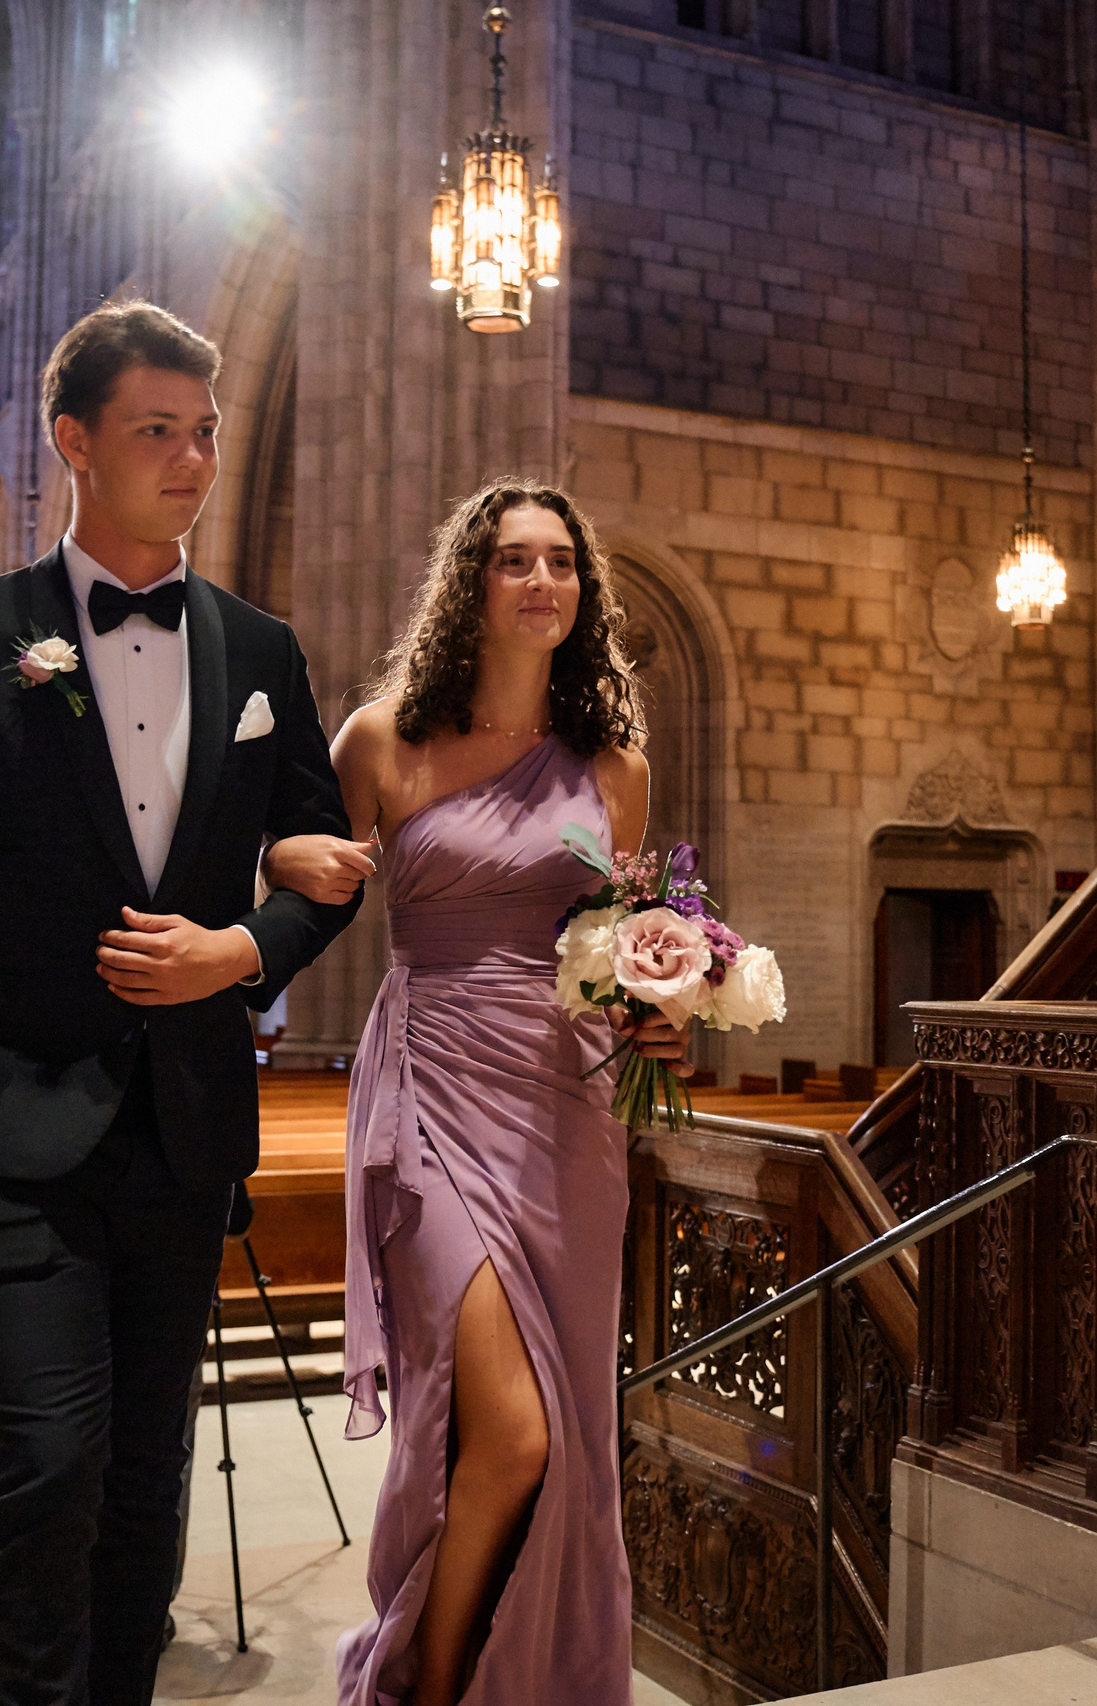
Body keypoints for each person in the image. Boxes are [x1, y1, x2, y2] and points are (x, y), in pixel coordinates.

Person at [0, 300, 364, 1706]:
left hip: (184, 1129)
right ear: (77, 444)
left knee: (146, 1484)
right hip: (12, 1116)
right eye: (157, 431)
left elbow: (329, 868)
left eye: (205, 432)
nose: (193, 459)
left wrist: (245, 949)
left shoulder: (262, 653)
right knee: (50, 1459)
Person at [272, 479, 686, 1706]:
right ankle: (432, 1681)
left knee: (564, 1430)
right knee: (507, 1429)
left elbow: (627, 935)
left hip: (569, 1099)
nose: (543, 581)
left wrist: (659, 1007)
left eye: (562, 561)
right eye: (515, 560)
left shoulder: (615, 768)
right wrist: (268, 854)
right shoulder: (381, 739)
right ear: (472, 580)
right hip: (434, 1084)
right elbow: (301, 901)